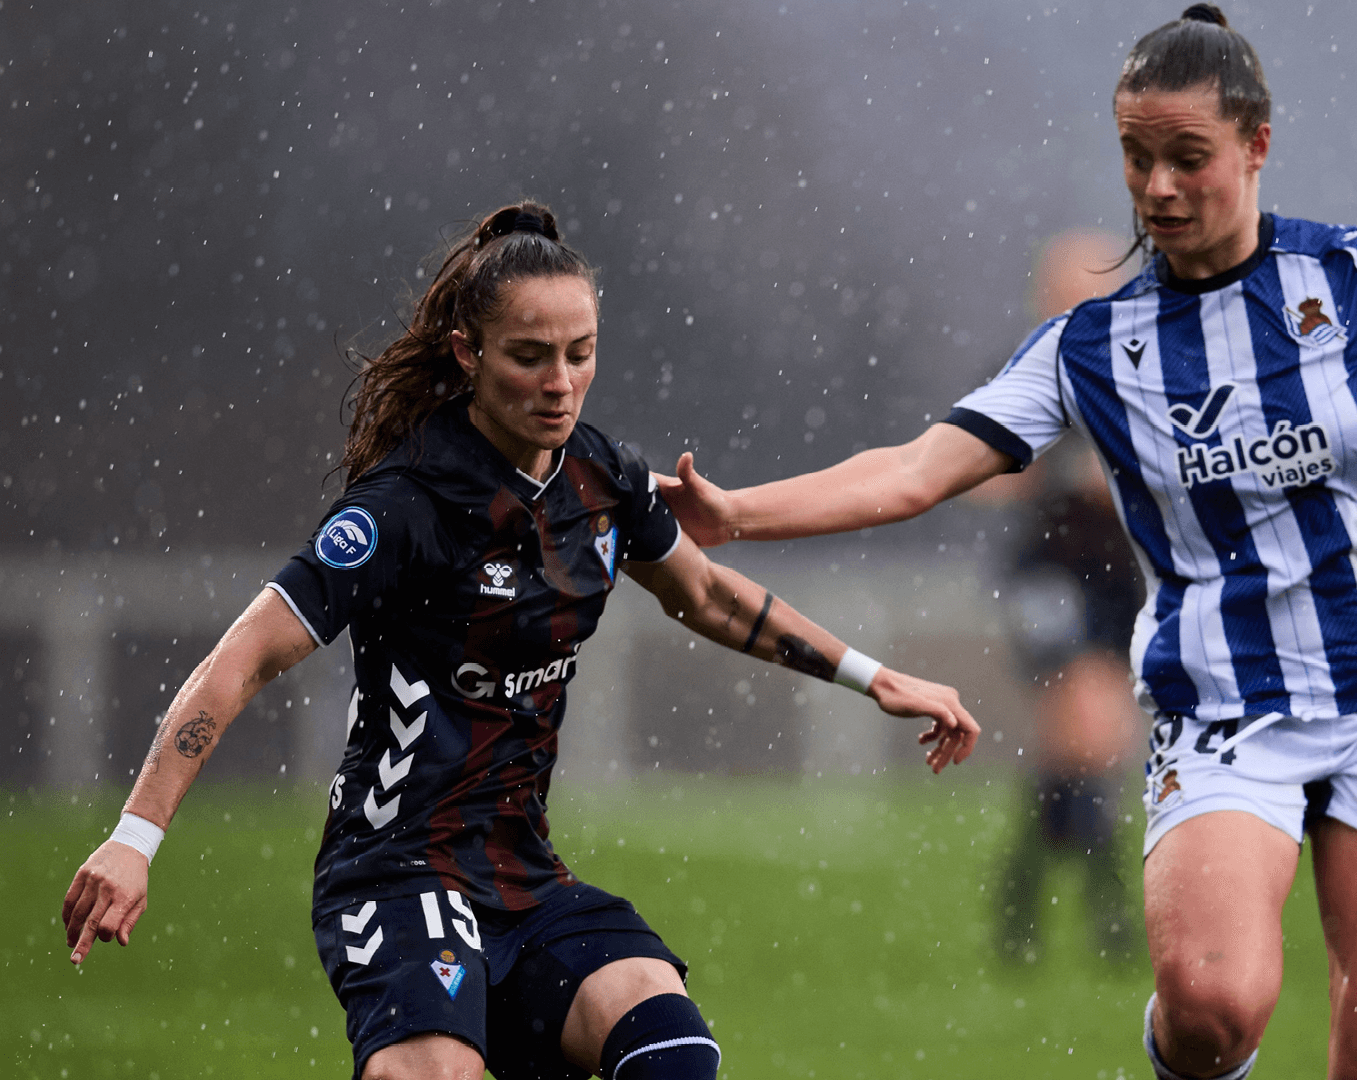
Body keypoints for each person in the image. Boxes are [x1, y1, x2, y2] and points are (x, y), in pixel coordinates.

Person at [658, 6, 1357, 1078]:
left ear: (1256, 144)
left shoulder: (1355, 273)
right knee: (1211, 1007)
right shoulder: (1093, 345)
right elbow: (915, 469)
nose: (1158, 188)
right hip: (1227, 705)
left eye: (1188, 157)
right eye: (1137, 158)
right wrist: (736, 512)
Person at [60, 202, 980, 1080]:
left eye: (581, 354)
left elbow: (704, 594)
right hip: (395, 870)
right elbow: (241, 659)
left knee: (670, 1044)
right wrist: (135, 838)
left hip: (521, 874)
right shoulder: (404, 506)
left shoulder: (603, 478)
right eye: (531, 357)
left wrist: (874, 676)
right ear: (469, 352)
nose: (560, 383)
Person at [978, 230, 1146, 967]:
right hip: (1047, 577)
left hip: (1119, 578)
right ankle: (1110, 916)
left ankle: (1020, 908)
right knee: (1085, 729)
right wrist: (1056, 475)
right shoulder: (1019, 374)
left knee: (1087, 747)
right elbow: (976, 480)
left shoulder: (1138, 374)